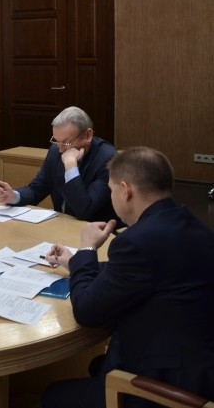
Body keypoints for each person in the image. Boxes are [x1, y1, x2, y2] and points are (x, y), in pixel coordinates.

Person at [42, 147, 214, 407]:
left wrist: (87, 248)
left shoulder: (135, 241)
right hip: (200, 367)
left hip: (166, 384)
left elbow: (87, 312)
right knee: (94, 366)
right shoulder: (192, 226)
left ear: (125, 190)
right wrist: (75, 262)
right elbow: (143, 272)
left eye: (111, 190)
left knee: (53, 395)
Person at [0, 106, 117, 223]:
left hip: (95, 231)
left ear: (88, 135)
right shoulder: (55, 151)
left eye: (66, 143)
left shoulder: (107, 159)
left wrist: (71, 167)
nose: (61, 150)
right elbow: (36, 189)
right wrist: (13, 196)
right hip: (62, 226)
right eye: (57, 142)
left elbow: (84, 210)